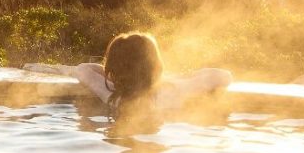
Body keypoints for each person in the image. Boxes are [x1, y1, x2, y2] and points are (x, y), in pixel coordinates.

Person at [69, 31, 230, 125]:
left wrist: (112, 72)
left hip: (123, 125)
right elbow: (224, 76)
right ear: (156, 64)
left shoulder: (112, 97)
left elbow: (83, 70)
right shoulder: (176, 90)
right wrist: (184, 76)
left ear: (114, 69)